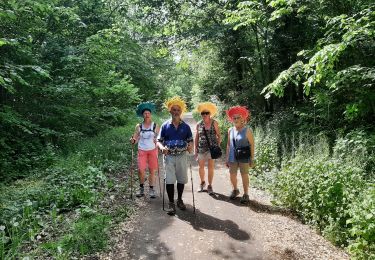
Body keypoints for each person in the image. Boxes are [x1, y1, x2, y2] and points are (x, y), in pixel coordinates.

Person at [157, 96, 193, 215]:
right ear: (170, 111)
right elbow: (158, 141)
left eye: (178, 110)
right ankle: (171, 203)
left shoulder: (186, 126)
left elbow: (190, 140)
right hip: (169, 156)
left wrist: (190, 146)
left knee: (181, 178)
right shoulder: (165, 125)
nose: (176, 112)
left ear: (181, 111)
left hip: (182, 155)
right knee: (170, 180)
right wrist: (162, 148)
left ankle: (180, 200)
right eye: (174, 109)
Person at [225, 106, 255, 204]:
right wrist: (227, 158)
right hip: (233, 156)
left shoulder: (247, 131)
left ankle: (246, 194)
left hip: (244, 156)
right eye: (234, 118)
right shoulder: (230, 130)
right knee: (232, 174)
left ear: (242, 119)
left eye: (238, 117)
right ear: (232, 119)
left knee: (244, 174)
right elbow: (228, 145)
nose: (236, 119)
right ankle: (235, 190)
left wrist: (252, 158)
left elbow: (252, 145)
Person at [130, 102, 160, 198]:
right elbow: (135, 138)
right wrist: (133, 140)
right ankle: (141, 189)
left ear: (150, 114)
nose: (146, 115)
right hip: (142, 150)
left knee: (152, 170)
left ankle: (151, 189)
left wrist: (158, 141)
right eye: (145, 113)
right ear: (142, 115)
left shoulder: (155, 125)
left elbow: (159, 138)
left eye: (148, 113)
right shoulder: (139, 126)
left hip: (152, 150)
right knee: (141, 170)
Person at [194, 102, 221, 195]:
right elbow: (196, 137)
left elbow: (219, 135)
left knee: (211, 168)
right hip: (201, 148)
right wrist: (195, 150)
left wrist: (217, 146)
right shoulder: (199, 124)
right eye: (203, 113)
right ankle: (202, 183)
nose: (205, 115)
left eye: (207, 113)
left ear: (210, 114)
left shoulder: (215, 123)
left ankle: (210, 185)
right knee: (201, 167)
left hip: (211, 149)